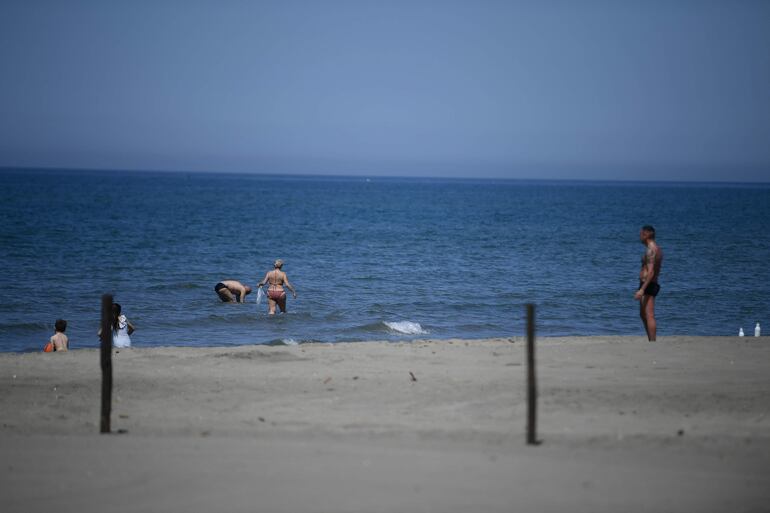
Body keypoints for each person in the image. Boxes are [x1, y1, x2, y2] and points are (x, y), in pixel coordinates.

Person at [634, 225, 663, 341]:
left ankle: (652, 341)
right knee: (643, 314)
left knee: (649, 314)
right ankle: (650, 339)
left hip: (648, 284)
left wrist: (642, 289)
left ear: (645, 235)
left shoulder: (651, 250)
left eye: (641, 234)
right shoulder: (657, 249)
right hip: (648, 284)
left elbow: (650, 273)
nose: (639, 237)